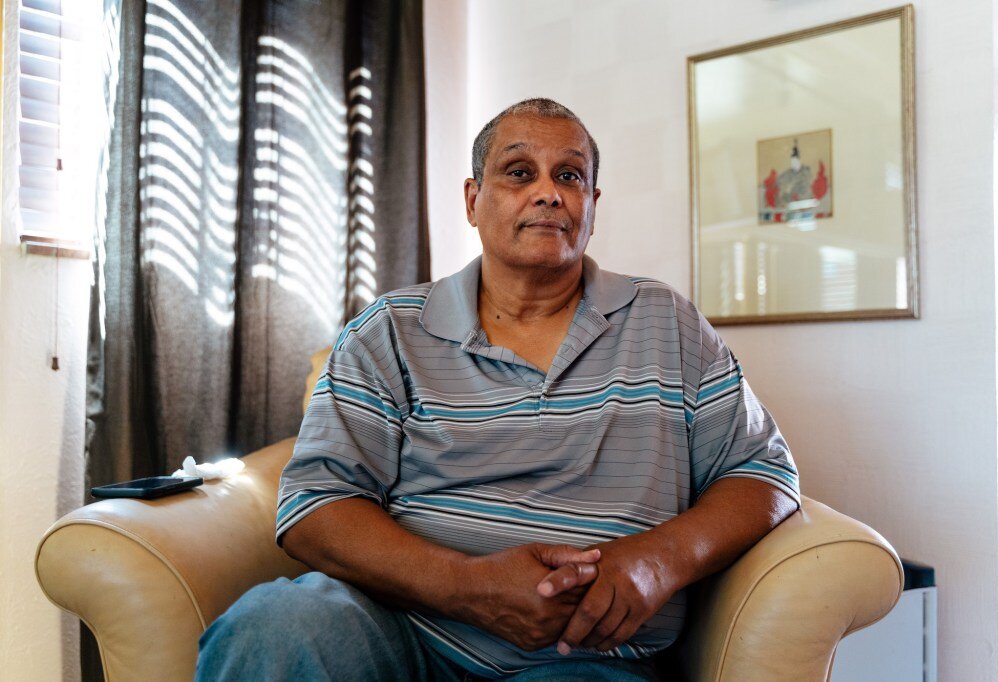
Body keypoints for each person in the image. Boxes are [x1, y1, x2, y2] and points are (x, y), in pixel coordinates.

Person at [195, 98, 800, 681]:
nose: (548, 192)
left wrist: (659, 560)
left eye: (569, 176)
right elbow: (316, 504)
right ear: (473, 199)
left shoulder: (665, 321)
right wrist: (468, 587)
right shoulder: (390, 330)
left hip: (583, 658)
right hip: (401, 630)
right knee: (270, 629)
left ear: (592, 205)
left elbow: (764, 473)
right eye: (519, 172)